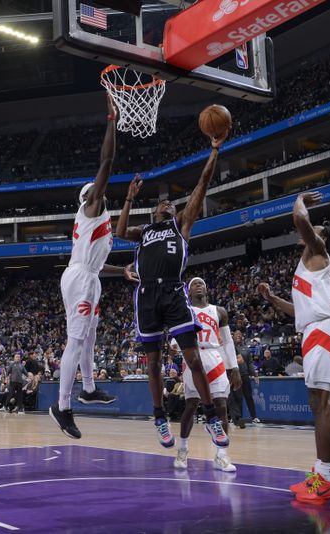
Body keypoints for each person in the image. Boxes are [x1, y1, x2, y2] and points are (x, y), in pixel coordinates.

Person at [116, 128, 230, 449]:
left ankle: (211, 417)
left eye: (170, 201)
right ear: (154, 212)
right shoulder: (145, 230)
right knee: (152, 363)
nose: (166, 203)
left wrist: (214, 151)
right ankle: (159, 416)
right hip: (147, 295)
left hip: (174, 293)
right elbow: (120, 229)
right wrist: (128, 198)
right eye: (162, 202)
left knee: (193, 360)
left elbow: (202, 186)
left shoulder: (181, 225)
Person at [50, 95, 136, 439]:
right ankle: (63, 405)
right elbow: (107, 159)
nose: (99, 192)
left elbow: (97, 265)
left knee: (89, 338)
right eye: (94, 190)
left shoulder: (98, 222)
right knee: (75, 341)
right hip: (79, 277)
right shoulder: (91, 207)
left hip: (89, 276)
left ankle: (87, 388)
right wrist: (111, 121)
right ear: (89, 197)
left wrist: (121, 272)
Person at [257, 190, 330, 504]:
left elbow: (298, 217)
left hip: (323, 329)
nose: (312, 228)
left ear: (321, 238)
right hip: (314, 328)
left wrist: (299, 199)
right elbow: (299, 310)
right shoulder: (308, 268)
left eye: (317, 228)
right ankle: (324, 473)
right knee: (318, 402)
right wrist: (272, 300)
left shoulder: (319, 250)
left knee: (320, 403)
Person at [174, 278, 241, 473]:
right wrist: (174, 347)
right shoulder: (185, 311)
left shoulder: (219, 311)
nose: (199, 285)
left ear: (206, 288)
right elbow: (177, 337)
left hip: (214, 355)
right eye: (194, 284)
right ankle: (183, 449)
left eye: (202, 283)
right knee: (191, 405)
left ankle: (221, 455)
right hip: (193, 357)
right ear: (188, 291)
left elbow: (227, 342)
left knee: (221, 405)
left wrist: (234, 367)